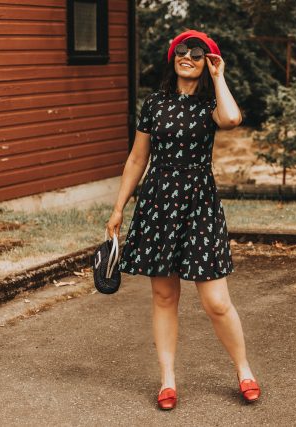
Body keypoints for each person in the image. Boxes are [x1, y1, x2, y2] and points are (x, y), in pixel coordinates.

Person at [106, 29, 261, 410]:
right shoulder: (155, 104)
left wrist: (220, 75)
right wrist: (118, 207)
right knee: (164, 296)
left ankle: (244, 370)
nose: (187, 55)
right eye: (181, 50)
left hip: (200, 206)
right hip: (159, 204)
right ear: (172, 57)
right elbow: (137, 160)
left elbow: (232, 119)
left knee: (216, 301)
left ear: (207, 60)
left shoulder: (210, 104)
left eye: (197, 52)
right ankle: (168, 381)